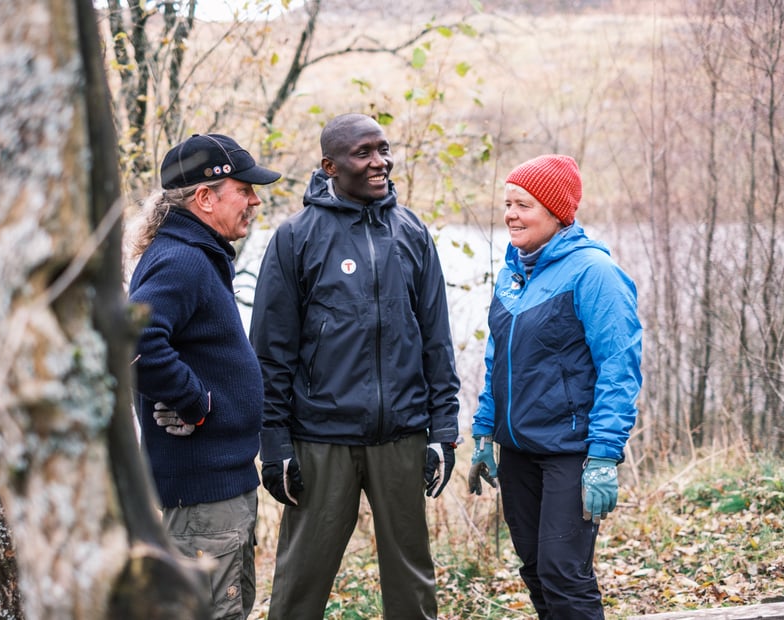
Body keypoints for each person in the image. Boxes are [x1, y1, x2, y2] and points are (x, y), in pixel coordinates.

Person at [250, 113, 460, 619]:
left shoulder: (412, 232)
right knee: (301, 582)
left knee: (413, 583)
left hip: (403, 437)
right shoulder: (295, 238)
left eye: (383, 149)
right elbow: (271, 354)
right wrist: (274, 447)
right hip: (322, 438)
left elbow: (436, 340)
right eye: (363, 153)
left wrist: (444, 430)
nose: (379, 162)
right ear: (329, 166)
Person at [467, 154, 642, 619]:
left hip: (571, 450)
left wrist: (605, 455)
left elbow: (619, 366)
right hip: (518, 450)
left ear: (555, 211)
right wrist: (484, 430)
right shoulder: (512, 275)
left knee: (565, 573)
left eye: (523, 204)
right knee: (536, 567)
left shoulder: (594, 273)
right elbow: (496, 360)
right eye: (507, 204)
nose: (510, 215)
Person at [128, 133, 281, 619]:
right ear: (205, 197)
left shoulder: (194, 252)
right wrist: (195, 402)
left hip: (216, 485)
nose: (255, 200)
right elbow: (134, 338)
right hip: (202, 493)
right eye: (245, 189)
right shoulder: (183, 258)